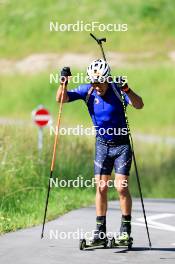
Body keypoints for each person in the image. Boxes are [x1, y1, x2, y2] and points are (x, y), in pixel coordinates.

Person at [56, 59, 144, 245]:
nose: (96, 87)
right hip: (102, 146)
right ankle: (100, 233)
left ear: (107, 79)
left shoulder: (118, 89)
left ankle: (125, 231)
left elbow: (139, 105)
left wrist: (127, 89)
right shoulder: (87, 90)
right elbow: (61, 99)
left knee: (121, 187)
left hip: (121, 146)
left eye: (99, 83)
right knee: (101, 188)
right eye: (93, 83)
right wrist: (63, 83)